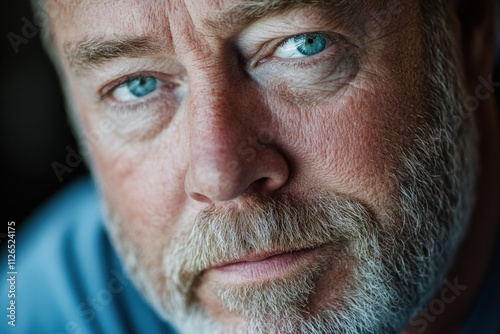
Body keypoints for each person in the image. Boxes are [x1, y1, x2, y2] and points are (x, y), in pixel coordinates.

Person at [2, 0, 499, 333]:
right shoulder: (50, 307)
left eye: (303, 45)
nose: (221, 176)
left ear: (471, 27)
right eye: (137, 86)